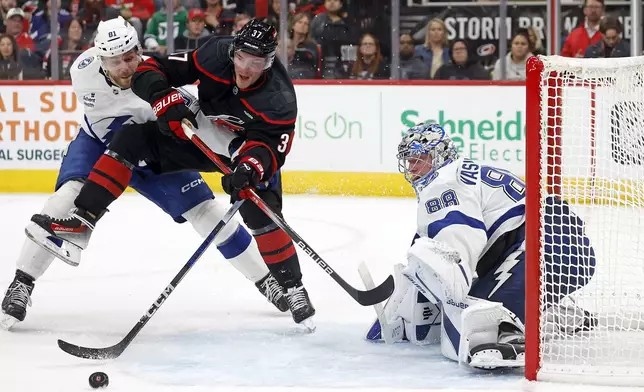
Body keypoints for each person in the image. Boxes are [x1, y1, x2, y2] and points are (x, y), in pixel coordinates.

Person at [1, 16, 288, 331]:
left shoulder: (162, 84)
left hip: (149, 155)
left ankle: (266, 279)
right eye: (114, 60)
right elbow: (107, 114)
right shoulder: (82, 71)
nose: (124, 67)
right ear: (100, 58)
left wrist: (240, 160)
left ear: (139, 50)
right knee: (63, 201)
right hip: (99, 146)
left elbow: (206, 129)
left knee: (208, 213)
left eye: (130, 57)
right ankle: (22, 282)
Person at [366, 123, 597, 369]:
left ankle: (512, 335)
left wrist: (451, 304)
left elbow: (456, 252)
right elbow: (428, 251)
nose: (413, 169)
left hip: (547, 244)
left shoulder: (444, 185)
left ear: (440, 155)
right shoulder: (458, 176)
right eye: (409, 161)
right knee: (477, 302)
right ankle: (551, 313)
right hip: (558, 243)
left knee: (481, 317)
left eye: (420, 159)